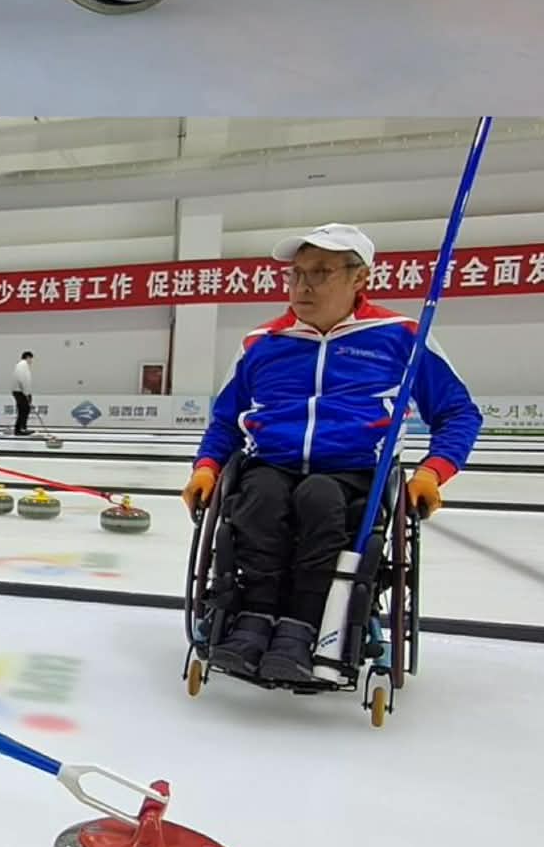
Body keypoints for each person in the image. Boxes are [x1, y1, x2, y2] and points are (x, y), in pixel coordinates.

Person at [181, 224, 482, 686]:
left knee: (320, 497)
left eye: (320, 273)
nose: (302, 285)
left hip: (354, 471)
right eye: (296, 273)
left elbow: (459, 413)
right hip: (270, 464)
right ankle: (255, 619)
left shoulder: (399, 336)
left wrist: (431, 473)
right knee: (260, 494)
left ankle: (304, 628)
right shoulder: (262, 342)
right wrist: (206, 467)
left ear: (360, 278)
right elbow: (226, 420)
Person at [11, 350, 35, 435]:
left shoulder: (21, 365)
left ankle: (22, 428)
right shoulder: (23, 365)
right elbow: (23, 380)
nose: (31, 361)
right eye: (31, 359)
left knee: (24, 410)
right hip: (20, 391)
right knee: (24, 410)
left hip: (19, 391)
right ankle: (19, 429)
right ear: (28, 357)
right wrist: (26, 393)